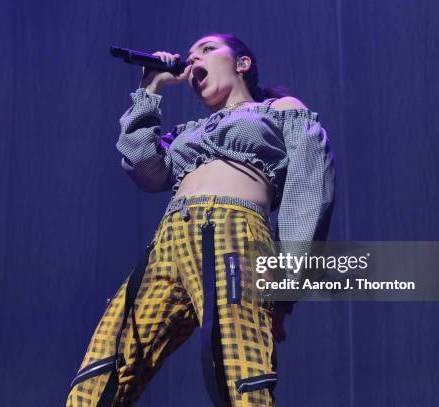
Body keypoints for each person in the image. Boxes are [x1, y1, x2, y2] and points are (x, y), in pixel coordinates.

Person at [66, 32, 335, 406]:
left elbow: (309, 188)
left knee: (240, 373)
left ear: (242, 64)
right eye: (189, 56)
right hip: (168, 242)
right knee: (106, 365)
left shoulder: (278, 109)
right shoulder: (188, 132)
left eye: (207, 50)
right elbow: (144, 168)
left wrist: (285, 286)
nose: (193, 61)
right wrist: (151, 86)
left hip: (234, 233)